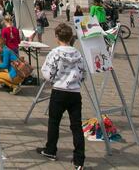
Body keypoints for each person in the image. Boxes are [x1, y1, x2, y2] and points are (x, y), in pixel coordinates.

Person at [37, 23, 86, 170]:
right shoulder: (78, 54)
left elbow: (47, 72)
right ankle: (79, 160)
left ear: (57, 37)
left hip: (59, 91)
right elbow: (83, 74)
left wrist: (54, 80)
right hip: (75, 93)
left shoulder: (55, 53)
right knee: (76, 126)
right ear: (71, 37)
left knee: (54, 122)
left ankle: (51, 150)